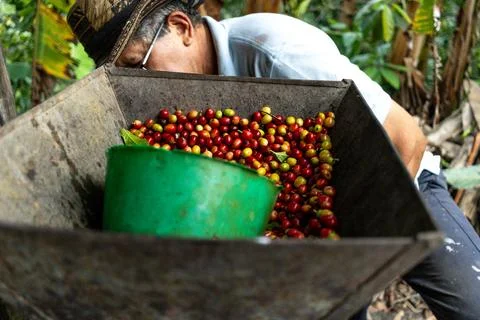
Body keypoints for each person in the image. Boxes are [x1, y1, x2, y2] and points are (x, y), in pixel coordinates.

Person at [68, 1, 480, 319]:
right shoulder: (162, 104)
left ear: (180, 27)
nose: (137, 82)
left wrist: (358, 262)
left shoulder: (276, 51)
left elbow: (407, 138)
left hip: (393, 185)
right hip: (277, 222)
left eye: (136, 64)